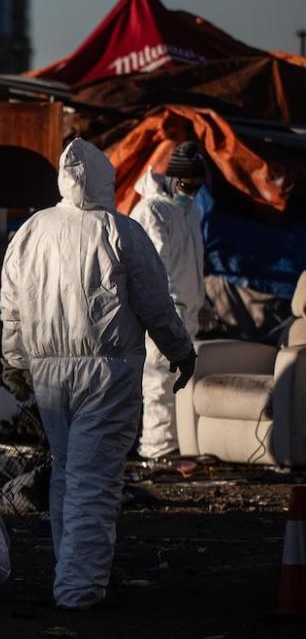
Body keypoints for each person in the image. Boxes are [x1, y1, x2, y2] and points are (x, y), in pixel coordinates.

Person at [0, 139, 196, 610]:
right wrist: (181, 351)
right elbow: (155, 303)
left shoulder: (32, 230)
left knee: (68, 473)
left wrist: (14, 361)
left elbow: (10, 308)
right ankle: (79, 588)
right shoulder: (121, 231)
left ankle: (70, 572)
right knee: (93, 480)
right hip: (107, 371)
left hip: (49, 372)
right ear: (106, 179)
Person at [130, 141, 206, 459]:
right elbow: (153, 266)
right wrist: (166, 308)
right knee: (159, 378)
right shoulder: (151, 211)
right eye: (187, 186)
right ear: (174, 179)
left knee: (180, 381)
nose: (191, 193)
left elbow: (191, 262)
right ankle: (157, 450)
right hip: (165, 310)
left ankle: (178, 447)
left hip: (188, 310)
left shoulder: (190, 212)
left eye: (197, 188)